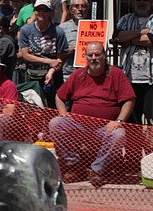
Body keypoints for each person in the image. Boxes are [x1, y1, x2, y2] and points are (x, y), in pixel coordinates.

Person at [48, 42, 135, 187]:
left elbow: (129, 100)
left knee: (119, 135)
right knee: (56, 123)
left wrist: (119, 121)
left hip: (105, 127)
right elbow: (59, 96)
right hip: (78, 125)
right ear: (85, 57)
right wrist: (63, 112)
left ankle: (97, 170)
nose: (94, 58)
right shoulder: (78, 75)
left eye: (97, 54)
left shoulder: (116, 74)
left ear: (104, 55)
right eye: (90, 55)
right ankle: (73, 165)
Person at [114, 0, 153, 124]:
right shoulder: (126, 19)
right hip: (129, 78)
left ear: (151, 1)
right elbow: (117, 37)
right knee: (132, 120)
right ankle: (136, 146)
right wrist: (143, 31)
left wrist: (130, 39)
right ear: (133, 1)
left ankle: (152, 145)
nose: (142, 2)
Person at [18, 0, 68, 104]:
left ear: (51, 12)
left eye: (45, 10)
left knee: (51, 107)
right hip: (31, 75)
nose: (41, 13)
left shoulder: (58, 32)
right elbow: (26, 55)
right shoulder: (26, 30)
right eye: (38, 10)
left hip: (52, 76)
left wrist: (51, 71)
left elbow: (60, 58)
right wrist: (49, 61)